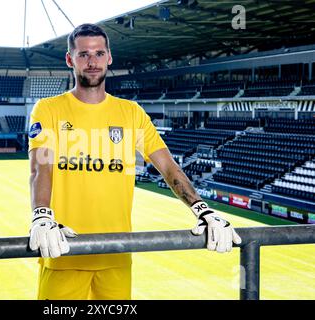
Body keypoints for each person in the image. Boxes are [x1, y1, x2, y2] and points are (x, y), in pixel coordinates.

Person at [27, 23, 241, 300]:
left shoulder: (131, 113)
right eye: (83, 54)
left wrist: (203, 210)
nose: (92, 62)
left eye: (99, 53)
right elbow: (40, 167)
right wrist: (41, 215)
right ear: (70, 59)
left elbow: (167, 166)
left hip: (117, 252)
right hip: (62, 251)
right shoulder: (48, 109)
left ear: (109, 57)